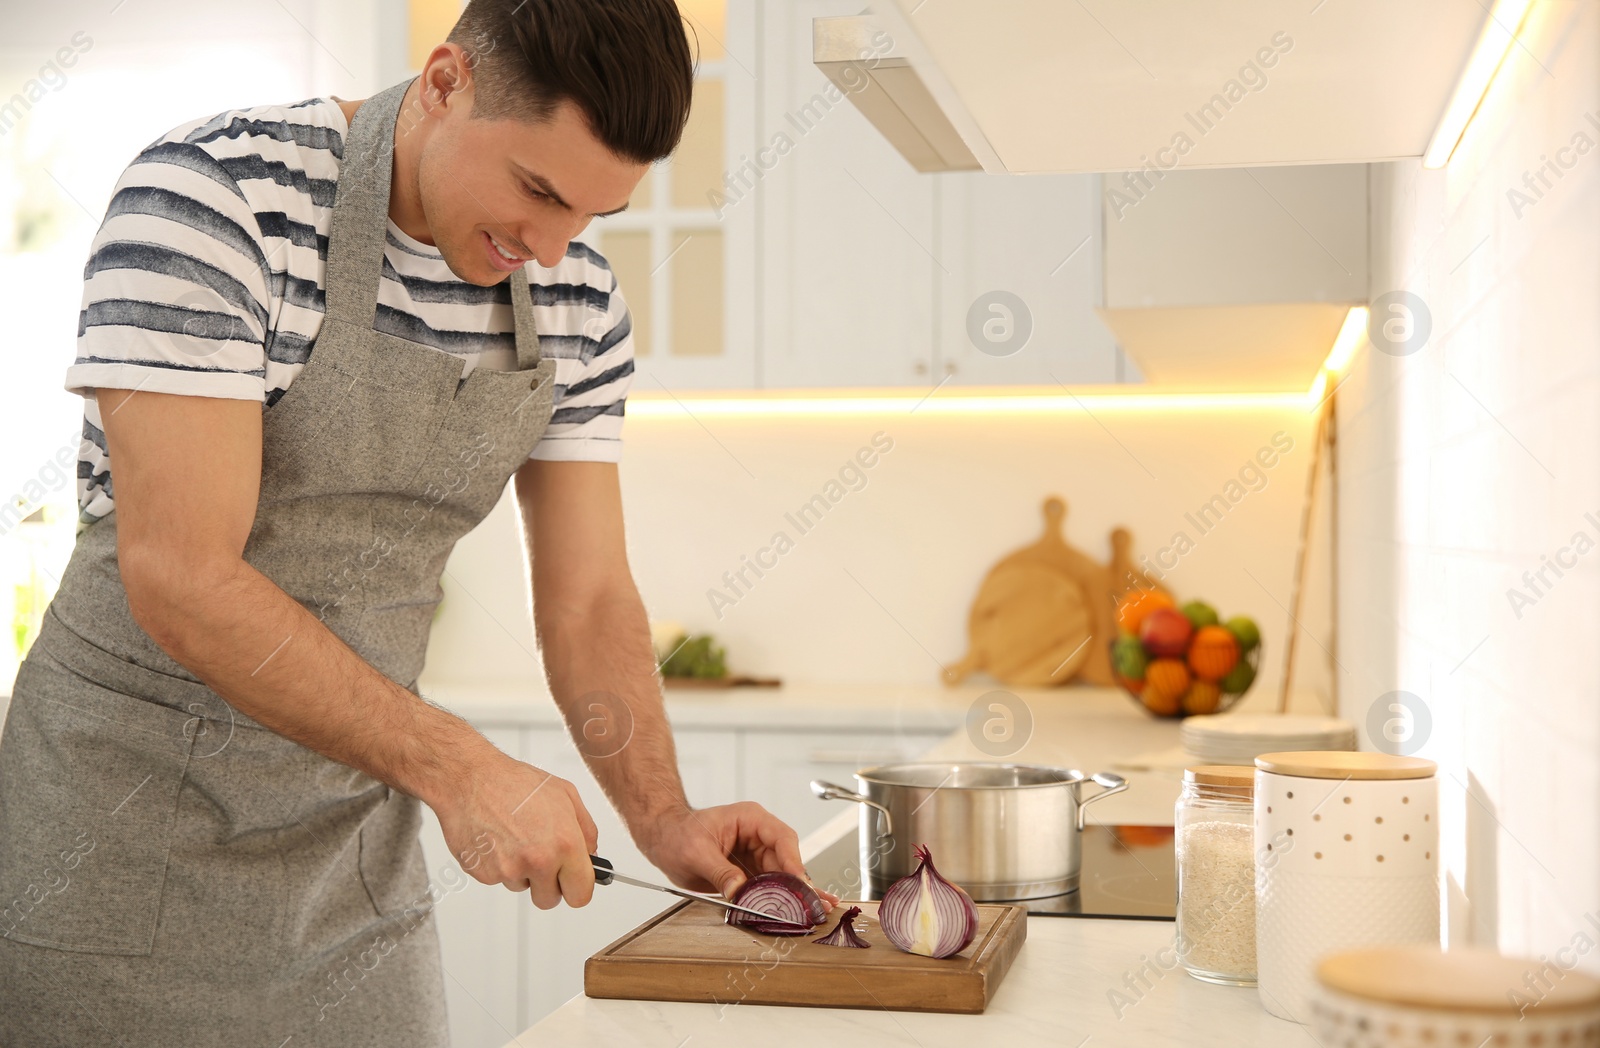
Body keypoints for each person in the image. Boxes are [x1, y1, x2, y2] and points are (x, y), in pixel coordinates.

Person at [0, 1, 832, 1043]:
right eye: (536, 190)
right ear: (444, 82)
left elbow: (587, 601)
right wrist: (462, 766)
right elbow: (181, 577)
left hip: (356, 856)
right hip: (115, 852)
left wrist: (663, 819)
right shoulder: (212, 200)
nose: (550, 245)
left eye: (591, 214)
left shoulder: (575, 294)